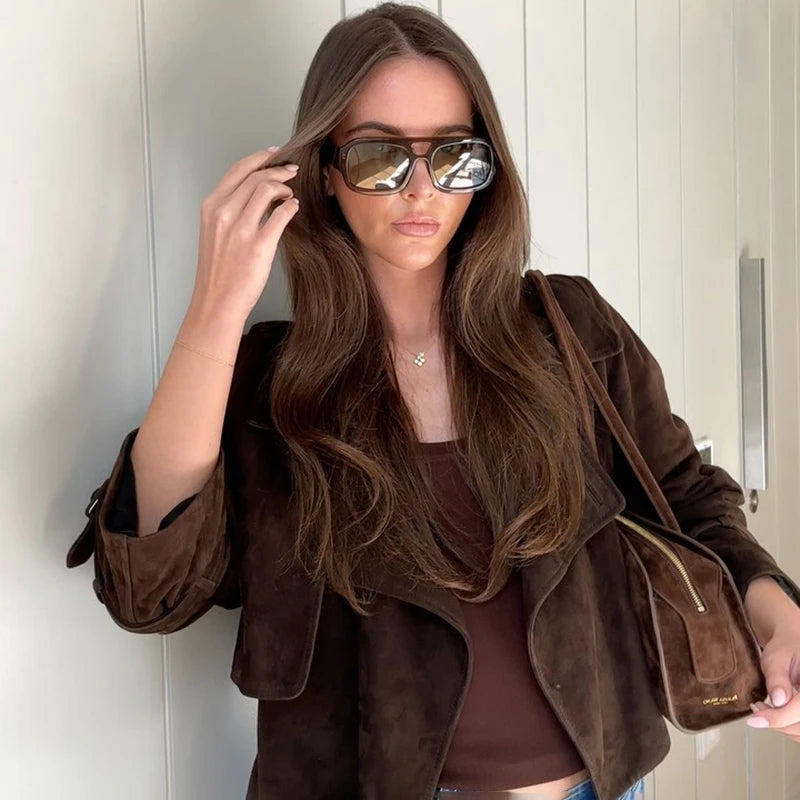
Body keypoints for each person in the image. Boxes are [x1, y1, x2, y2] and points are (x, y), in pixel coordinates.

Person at [66, 3, 800, 799]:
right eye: (380, 154)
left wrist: (780, 616)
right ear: (324, 170)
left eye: (454, 154)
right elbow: (151, 591)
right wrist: (216, 306)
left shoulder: (570, 331)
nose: (422, 188)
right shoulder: (266, 383)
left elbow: (687, 498)